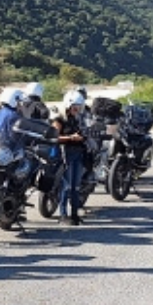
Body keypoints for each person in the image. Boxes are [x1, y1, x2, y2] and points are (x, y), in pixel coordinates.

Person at [51, 91, 89, 225]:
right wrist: (70, 138)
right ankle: (63, 215)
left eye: (79, 106)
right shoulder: (59, 120)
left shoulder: (78, 119)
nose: (77, 109)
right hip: (65, 154)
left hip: (78, 154)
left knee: (75, 186)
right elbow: (53, 137)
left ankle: (74, 215)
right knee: (66, 186)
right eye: (75, 106)